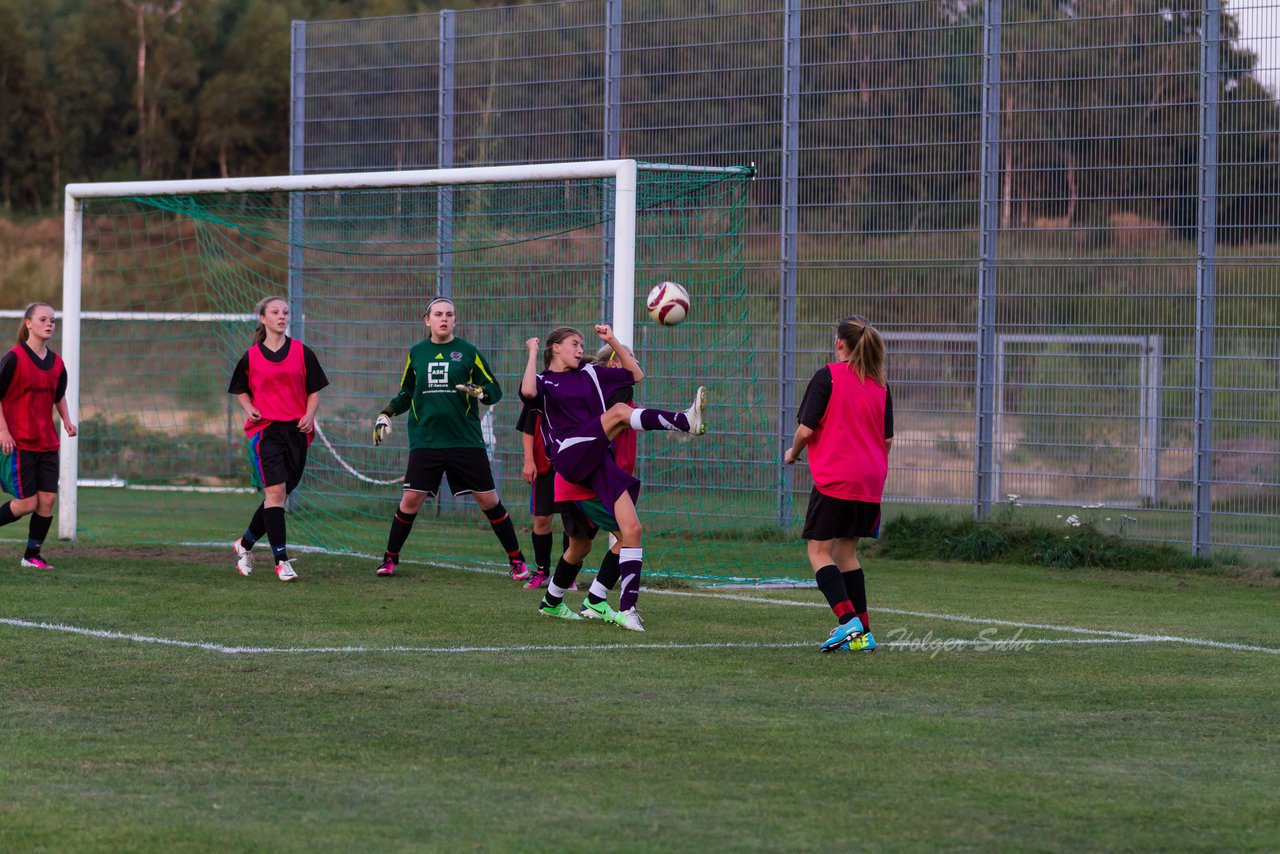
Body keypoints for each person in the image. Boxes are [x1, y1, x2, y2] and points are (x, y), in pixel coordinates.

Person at [519, 324, 707, 632]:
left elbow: (636, 375)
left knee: (624, 532)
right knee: (620, 412)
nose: (581, 349)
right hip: (567, 455)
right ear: (556, 348)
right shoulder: (543, 381)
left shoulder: (591, 374)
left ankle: (614, 607)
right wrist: (532, 351)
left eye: (583, 344)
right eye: (574, 344)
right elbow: (527, 392)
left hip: (597, 461)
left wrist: (612, 340)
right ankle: (683, 421)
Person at [372, 297, 529, 579]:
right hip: (426, 440)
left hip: (465, 441)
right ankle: (389, 559)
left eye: (449, 314)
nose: (444, 318)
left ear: (455, 320)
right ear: (427, 320)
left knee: (489, 501)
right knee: (410, 500)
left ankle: (517, 561)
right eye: (438, 314)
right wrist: (386, 413)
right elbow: (407, 392)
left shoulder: (467, 352)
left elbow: (494, 388)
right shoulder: (417, 353)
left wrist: (480, 392)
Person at [784, 314, 892, 652]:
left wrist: (793, 452)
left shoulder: (827, 377)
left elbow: (806, 430)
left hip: (837, 478)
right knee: (846, 552)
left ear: (839, 343)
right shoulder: (880, 386)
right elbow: (887, 440)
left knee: (818, 551)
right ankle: (864, 635)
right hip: (870, 481)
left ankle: (848, 622)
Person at [228, 296, 329, 582]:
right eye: (275, 312)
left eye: (285, 312)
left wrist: (310, 415)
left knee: (280, 495)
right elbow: (240, 389)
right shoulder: (251, 356)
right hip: (266, 432)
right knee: (275, 495)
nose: (282, 316)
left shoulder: (302, 352)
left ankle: (245, 544)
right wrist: (249, 408)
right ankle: (281, 561)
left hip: (297, 432)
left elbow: (314, 390)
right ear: (263, 318)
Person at [0, 302, 76, 569]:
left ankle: (32, 555)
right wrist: (3, 430)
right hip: (18, 444)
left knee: (47, 500)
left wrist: (67, 420)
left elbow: (59, 395)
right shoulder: (13, 358)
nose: (49, 324)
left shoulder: (57, 363)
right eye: (43, 319)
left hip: (47, 443)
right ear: (28, 323)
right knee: (26, 503)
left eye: (53, 320)